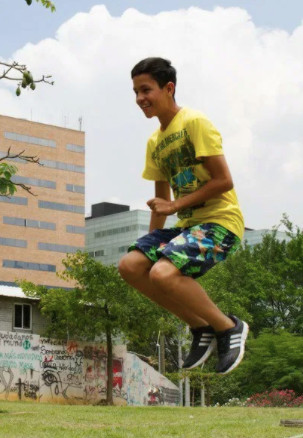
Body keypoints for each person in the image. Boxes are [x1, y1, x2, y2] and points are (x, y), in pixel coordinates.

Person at [118, 57, 248, 375]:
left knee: (163, 274)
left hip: (220, 223)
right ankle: (200, 326)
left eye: (146, 90)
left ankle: (228, 327)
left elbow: (224, 181)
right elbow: (161, 202)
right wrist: (148, 243)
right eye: (135, 92)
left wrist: (176, 206)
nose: (140, 99)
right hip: (187, 227)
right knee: (131, 266)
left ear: (169, 88)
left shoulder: (194, 122)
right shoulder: (155, 142)